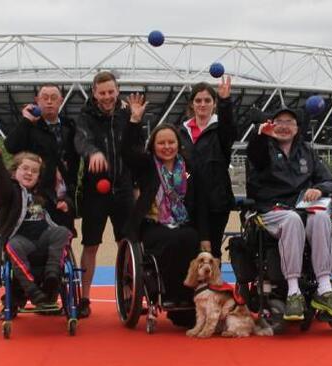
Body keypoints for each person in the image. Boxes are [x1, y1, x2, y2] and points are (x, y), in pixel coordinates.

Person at [246, 107, 332, 321]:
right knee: (292, 219)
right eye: (280, 121)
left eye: (290, 122)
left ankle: (324, 289)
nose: (285, 126)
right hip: (273, 209)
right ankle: (293, 293)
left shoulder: (306, 151)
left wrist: (320, 189)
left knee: (323, 214)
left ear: (297, 129)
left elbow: (328, 181)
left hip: (302, 208)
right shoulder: (263, 147)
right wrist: (260, 134)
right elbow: (255, 156)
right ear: (272, 125)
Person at [74, 71, 142, 318]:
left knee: (126, 244)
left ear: (117, 90)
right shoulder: (85, 116)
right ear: (94, 93)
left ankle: (128, 294)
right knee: (90, 245)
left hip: (123, 188)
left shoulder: (127, 114)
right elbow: (81, 140)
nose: (107, 97)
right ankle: (84, 298)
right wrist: (92, 153)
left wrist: (136, 184)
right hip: (96, 191)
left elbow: (137, 148)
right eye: (102, 93)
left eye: (111, 92)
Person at [121, 111, 200, 324]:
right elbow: (127, 152)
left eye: (171, 142)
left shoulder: (187, 168)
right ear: (153, 146)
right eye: (161, 143)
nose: (167, 147)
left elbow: (194, 194)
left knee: (191, 238)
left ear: (178, 144)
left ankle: (186, 298)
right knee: (170, 240)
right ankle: (168, 295)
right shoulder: (147, 166)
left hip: (182, 222)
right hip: (152, 223)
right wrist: (134, 121)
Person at [0, 140, 72, 314]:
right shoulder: (10, 192)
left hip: (43, 239)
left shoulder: (43, 193)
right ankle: (32, 291)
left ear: (39, 176)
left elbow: (64, 199)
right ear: (14, 172)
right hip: (20, 239)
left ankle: (52, 276)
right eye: (25, 169)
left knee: (62, 232)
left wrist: (66, 205)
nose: (29, 173)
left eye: (34, 171)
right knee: (13, 246)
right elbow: (1, 183)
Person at [4, 84, 79, 233]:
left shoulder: (70, 127)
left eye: (53, 98)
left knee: (63, 237)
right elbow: (11, 146)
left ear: (61, 101)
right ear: (37, 101)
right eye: (45, 98)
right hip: (37, 194)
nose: (49, 101)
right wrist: (26, 120)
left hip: (62, 195)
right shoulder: (29, 126)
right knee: (36, 235)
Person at [179, 76, 236, 260]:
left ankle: (213, 288)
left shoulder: (221, 130)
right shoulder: (181, 132)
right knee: (189, 249)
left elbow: (230, 128)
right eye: (198, 100)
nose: (202, 104)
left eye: (207, 100)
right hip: (187, 202)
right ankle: (190, 288)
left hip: (216, 201)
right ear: (191, 104)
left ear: (214, 104)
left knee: (212, 250)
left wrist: (226, 101)